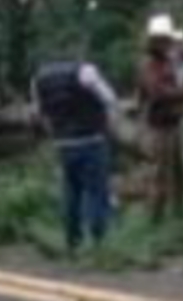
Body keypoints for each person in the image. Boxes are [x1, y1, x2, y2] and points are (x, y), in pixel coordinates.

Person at [31, 57, 122, 251]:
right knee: (96, 191)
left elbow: (39, 112)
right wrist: (110, 124)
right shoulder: (85, 71)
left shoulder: (39, 78)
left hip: (63, 143)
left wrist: (54, 133)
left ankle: (73, 240)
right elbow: (109, 98)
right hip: (91, 139)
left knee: (71, 192)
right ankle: (100, 239)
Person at [136, 15, 183, 218]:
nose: (168, 44)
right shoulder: (149, 63)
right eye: (164, 40)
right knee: (159, 174)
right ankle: (155, 218)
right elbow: (155, 91)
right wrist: (180, 93)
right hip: (158, 125)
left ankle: (179, 215)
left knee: (179, 173)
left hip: (173, 121)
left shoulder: (168, 61)